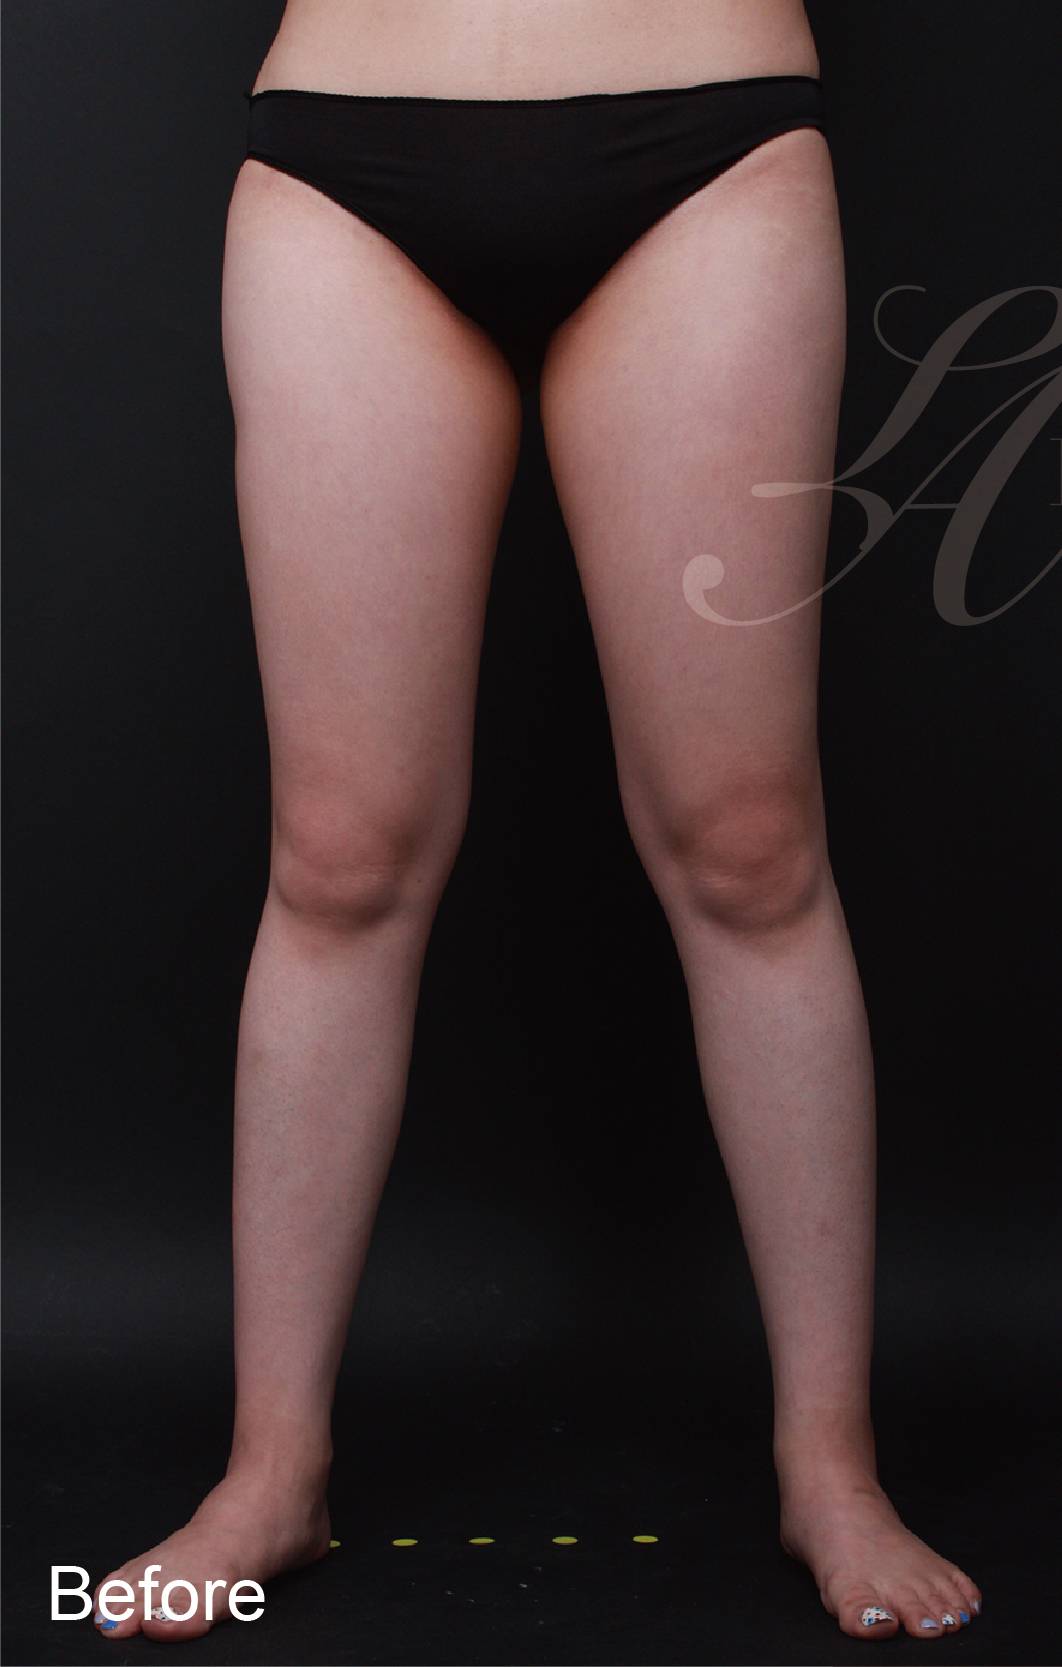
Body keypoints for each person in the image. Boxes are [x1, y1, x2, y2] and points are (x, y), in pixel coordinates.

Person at [92, 0, 982, 1644]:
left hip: (703, 140)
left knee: (746, 843)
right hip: (348, 155)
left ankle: (827, 1463)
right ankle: (272, 1470)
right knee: (341, 854)